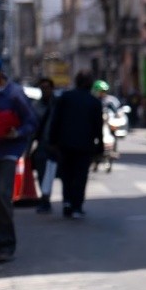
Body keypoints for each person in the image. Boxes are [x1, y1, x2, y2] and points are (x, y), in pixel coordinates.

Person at [48, 70, 104, 219]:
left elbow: (55, 121)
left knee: (67, 175)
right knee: (80, 176)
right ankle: (77, 206)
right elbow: (98, 127)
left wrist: (52, 141)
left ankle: (67, 202)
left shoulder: (66, 97)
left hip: (65, 144)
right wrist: (100, 146)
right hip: (84, 145)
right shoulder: (94, 102)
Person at [0, 68, 38, 262]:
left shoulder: (14, 94)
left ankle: (6, 243)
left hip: (8, 152)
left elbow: (31, 122)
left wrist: (17, 132)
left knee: (3, 195)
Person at [30, 77, 58, 213]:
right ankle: (45, 199)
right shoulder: (36, 106)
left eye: (47, 87)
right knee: (42, 172)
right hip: (43, 144)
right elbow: (31, 128)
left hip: (58, 144)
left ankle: (69, 202)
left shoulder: (59, 104)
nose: (45, 90)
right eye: (42, 87)